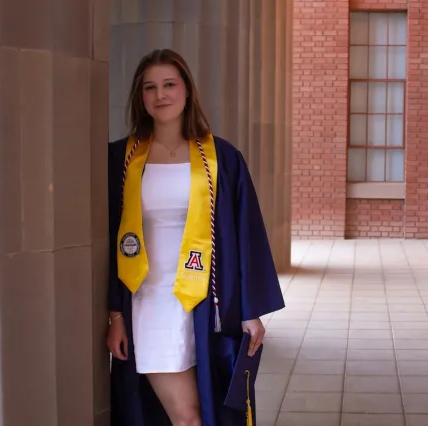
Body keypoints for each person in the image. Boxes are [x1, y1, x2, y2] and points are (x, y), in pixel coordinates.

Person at [106, 48, 285, 426]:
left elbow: (246, 232)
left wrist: (250, 311)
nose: (161, 95)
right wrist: (115, 314)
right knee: (187, 417)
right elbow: (107, 240)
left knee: (207, 410)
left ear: (187, 90)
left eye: (170, 84)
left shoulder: (222, 158)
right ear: (141, 97)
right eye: (150, 88)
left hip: (206, 303)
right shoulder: (120, 159)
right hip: (149, 302)